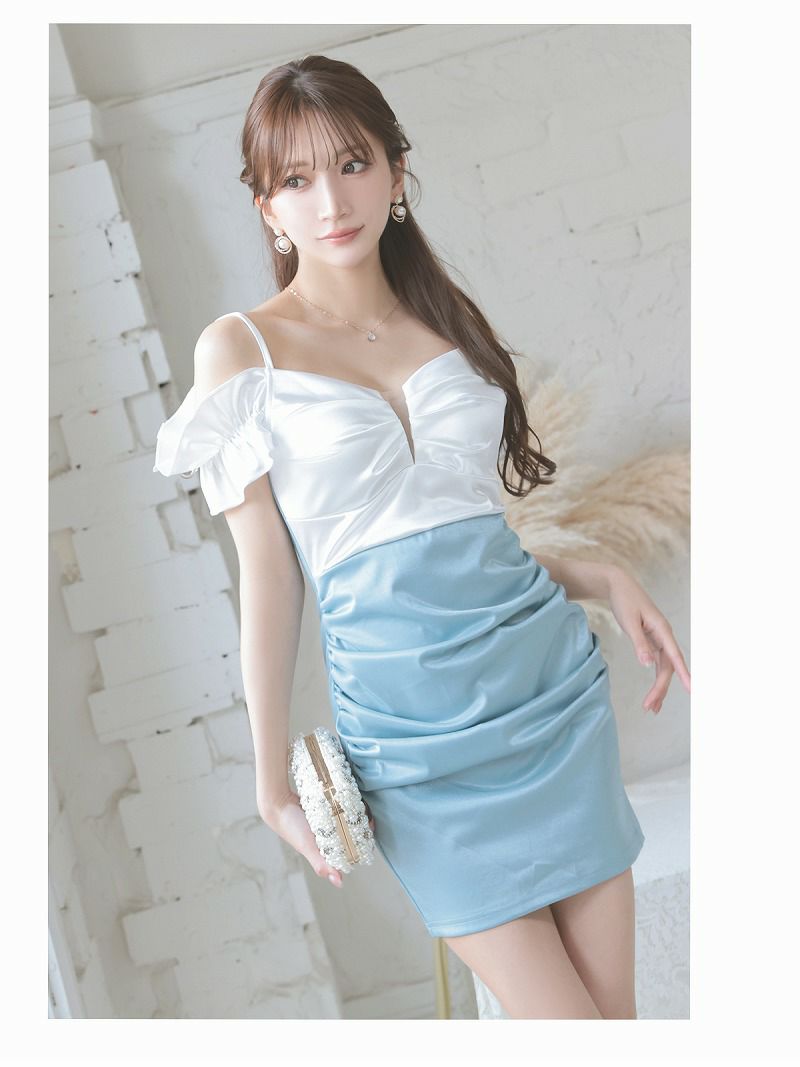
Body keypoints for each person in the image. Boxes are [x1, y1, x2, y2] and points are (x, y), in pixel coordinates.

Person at [153, 54, 690, 1019]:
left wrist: (601, 574)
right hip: (415, 749)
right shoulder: (241, 352)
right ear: (266, 206)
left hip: (550, 703)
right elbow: (272, 577)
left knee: (619, 1025)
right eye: (296, 179)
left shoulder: (445, 325)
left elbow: (465, 537)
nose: (331, 201)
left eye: (352, 163)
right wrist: (270, 780)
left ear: (396, 172)